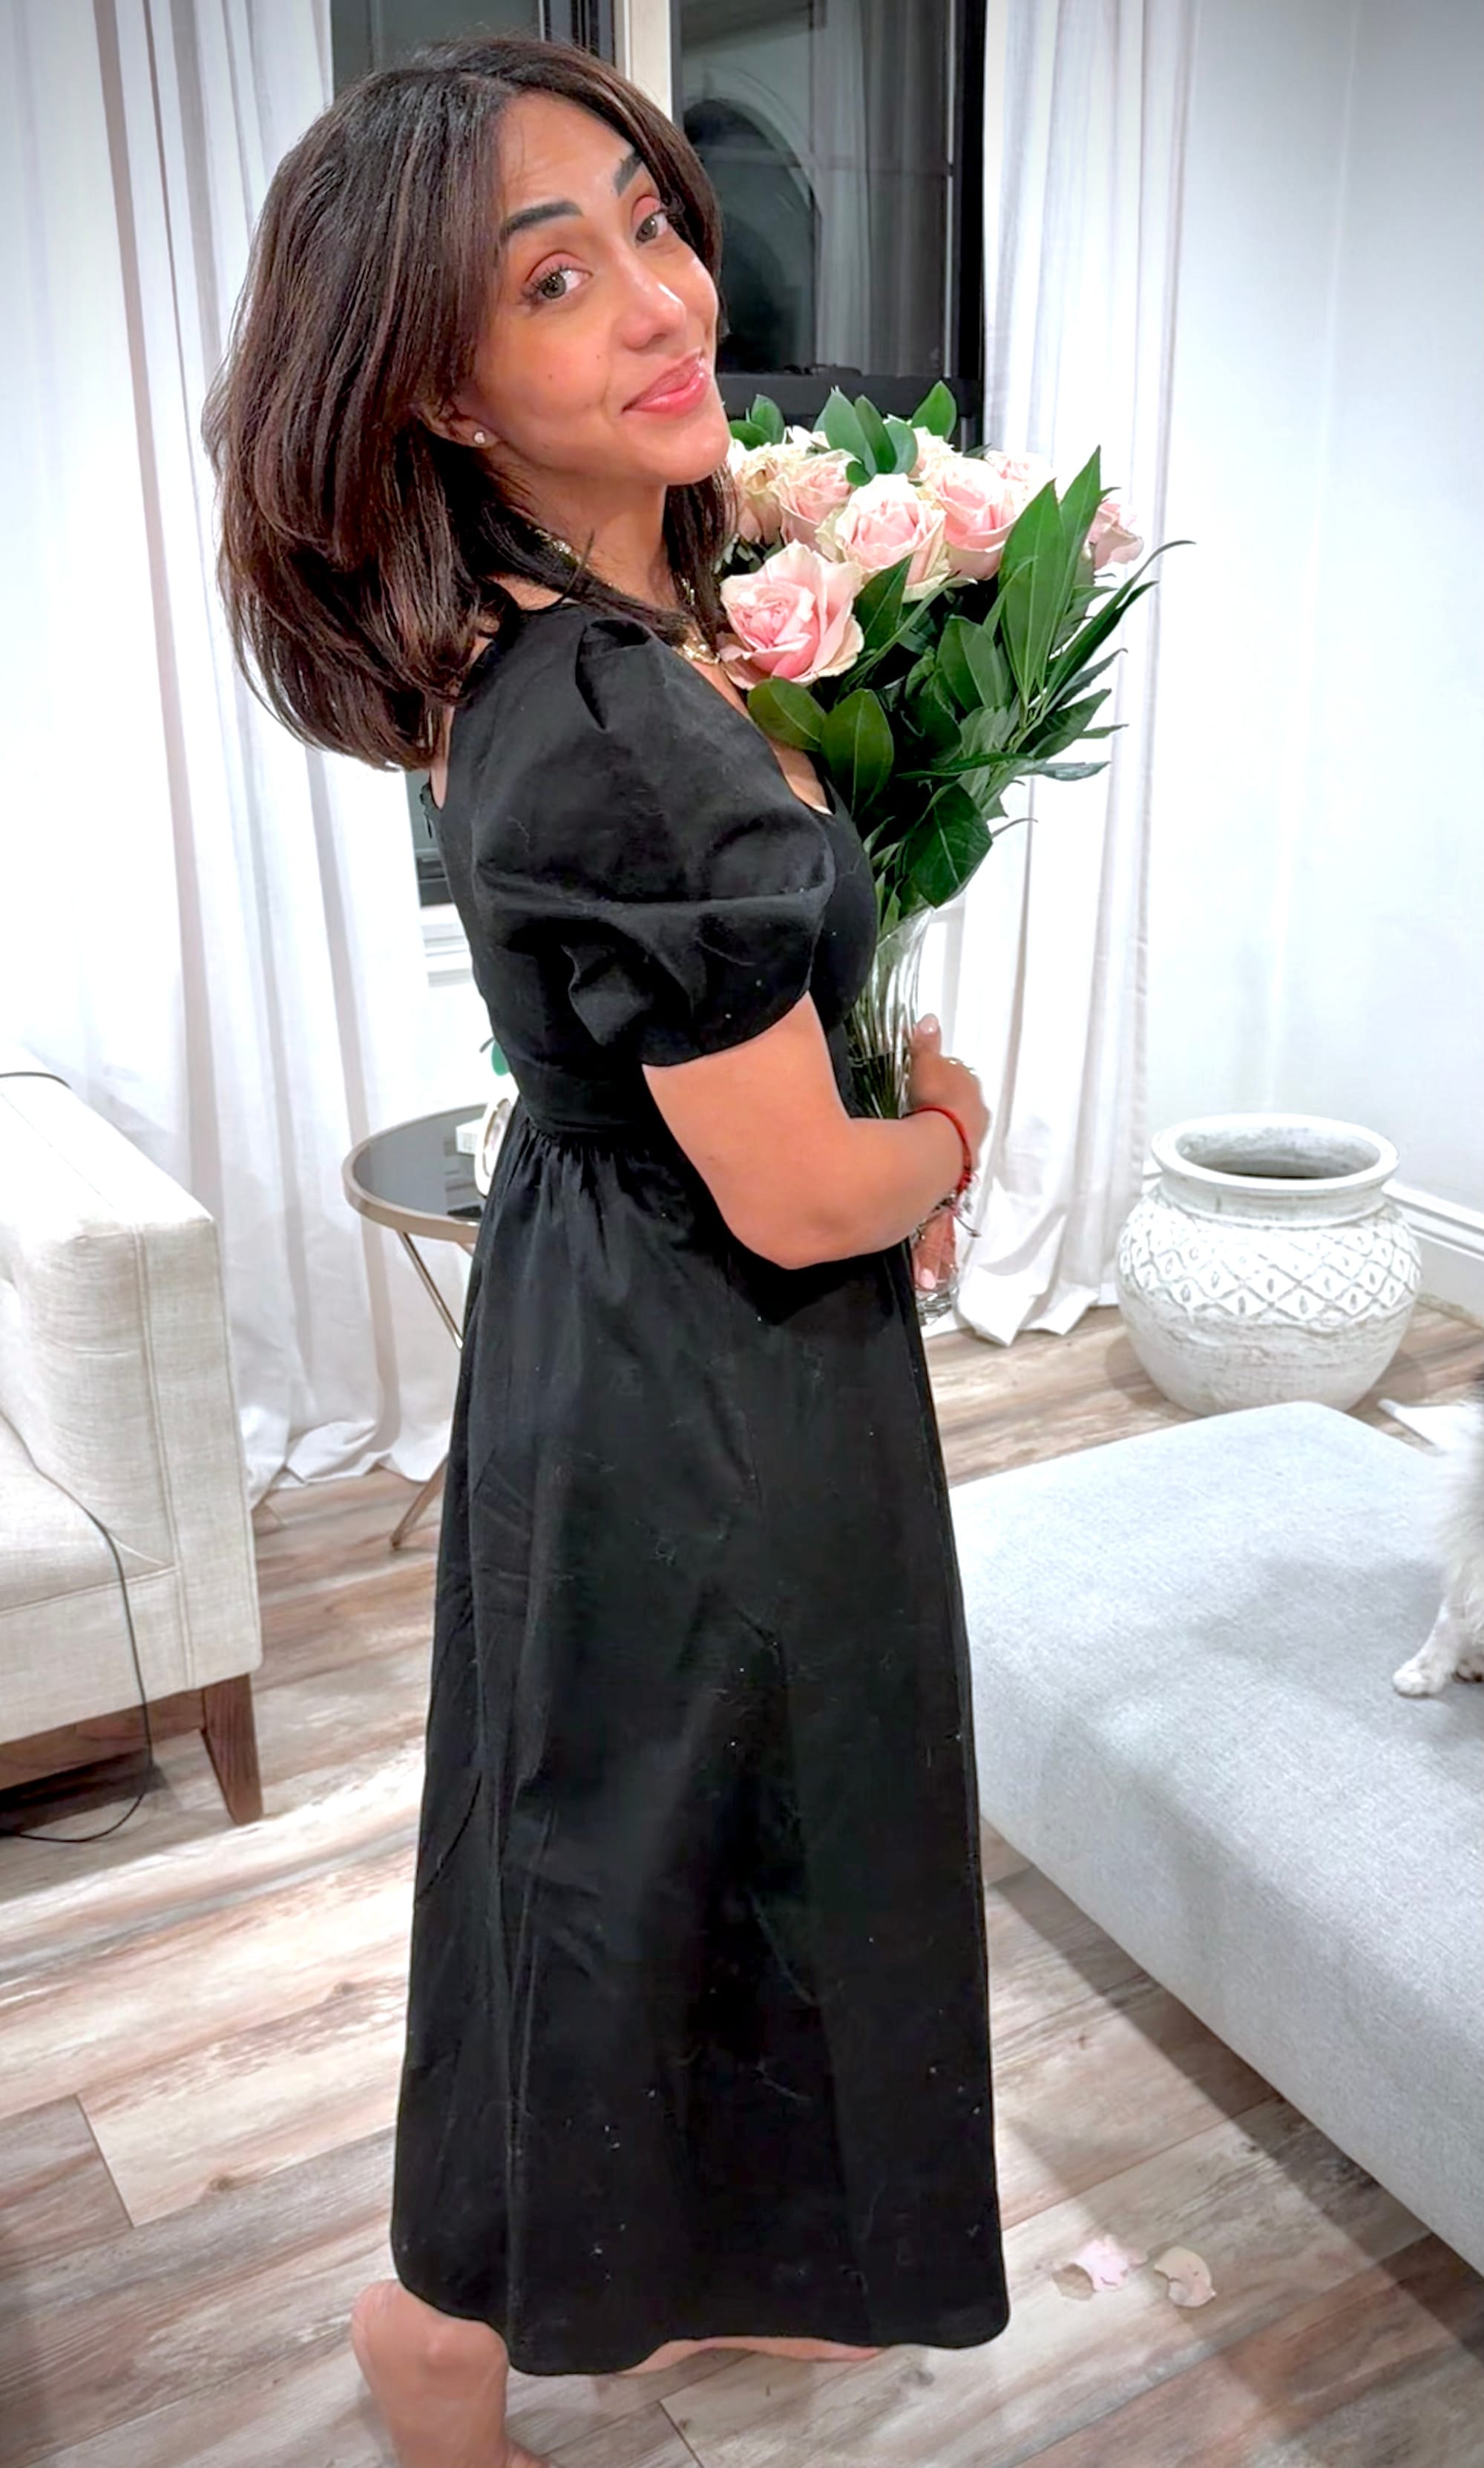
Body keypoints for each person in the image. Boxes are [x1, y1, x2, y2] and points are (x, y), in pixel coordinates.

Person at [203, 32, 1010, 2467]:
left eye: (651, 225)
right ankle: (447, 2323)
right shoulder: (624, 732)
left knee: (665, 1824)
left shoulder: (576, 633)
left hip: (629, 1315)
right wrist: (944, 1135)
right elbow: (797, 1189)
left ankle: (661, 2265)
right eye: (554, 279)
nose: (664, 300)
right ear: (442, 393)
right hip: (706, 1370)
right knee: (649, 1841)